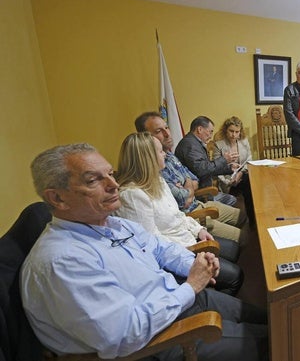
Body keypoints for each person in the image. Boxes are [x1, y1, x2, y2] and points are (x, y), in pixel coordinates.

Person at [21, 143, 268, 360]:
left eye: (110, 174)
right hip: (158, 340)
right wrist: (191, 286)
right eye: (93, 180)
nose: (114, 185)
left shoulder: (113, 223)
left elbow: (161, 248)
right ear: (57, 198)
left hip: (176, 298)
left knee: (273, 318)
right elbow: (125, 334)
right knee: (277, 339)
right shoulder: (62, 261)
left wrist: (194, 264)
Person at [114, 132, 243, 295]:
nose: (166, 154)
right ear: (148, 159)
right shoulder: (133, 196)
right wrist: (192, 249)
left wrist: (198, 230)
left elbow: (178, 215)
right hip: (179, 253)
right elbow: (153, 244)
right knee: (235, 276)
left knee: (234, 249)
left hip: (188, 236)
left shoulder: (158, 180)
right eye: (161, 152)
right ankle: (212, 305)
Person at [135, 112, 247, 242]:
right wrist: (189, 186)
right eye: (159, 131)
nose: (167, 133)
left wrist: (187, 184)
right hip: (191, 215)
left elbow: (193, 177)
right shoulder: (157, 165)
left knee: (244, 215)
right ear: (146, 138)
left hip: (197, 202)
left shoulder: (169, 155)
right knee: (244, 235)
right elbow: (184, 197)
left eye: (166, 127)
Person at [175, 116, 241, 206]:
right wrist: (223, 159)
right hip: (200, 194)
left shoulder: (194, 142)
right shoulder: (190, 145)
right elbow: (202, 170)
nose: (210, 136)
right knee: (233, 200)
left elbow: (208, 167)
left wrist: (229, 168)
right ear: (200, 129)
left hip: (205, 190)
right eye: (210, 132)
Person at [212, 116, 254, 221]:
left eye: (237, 132)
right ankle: (241, 220)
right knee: (247, 183)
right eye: (231, 131)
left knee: (249, 182)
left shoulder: (244, 141)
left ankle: (252, 220)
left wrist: (240, 174)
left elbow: (249, 161)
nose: (234, 135)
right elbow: (216, 167)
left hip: (242, 176)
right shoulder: (219, 145)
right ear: (226, 130)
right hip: (227, 179)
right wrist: (228, 181)